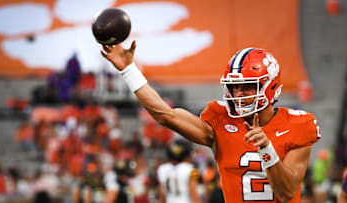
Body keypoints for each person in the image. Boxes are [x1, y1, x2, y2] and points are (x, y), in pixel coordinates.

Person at [100, 41, 321, 202]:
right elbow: (166, 115)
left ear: (271, 86)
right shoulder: (220, 117)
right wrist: (129, 70)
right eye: (235, 87)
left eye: (247, 86)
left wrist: (266, 148)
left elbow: (286, 193)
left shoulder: (298, 124)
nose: (239, 93)